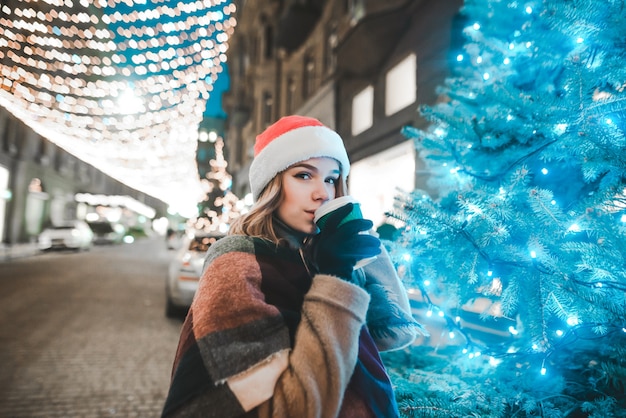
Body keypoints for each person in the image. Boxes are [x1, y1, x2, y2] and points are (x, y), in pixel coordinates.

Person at [161, 115, 422, 418]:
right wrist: (335, 279)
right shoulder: (239, 262)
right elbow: (292, 408)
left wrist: (360, 243)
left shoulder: (317, 254)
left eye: (331, 179)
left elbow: (396, 331)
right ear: (272, 185)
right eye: (303, 175)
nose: (322, 193)